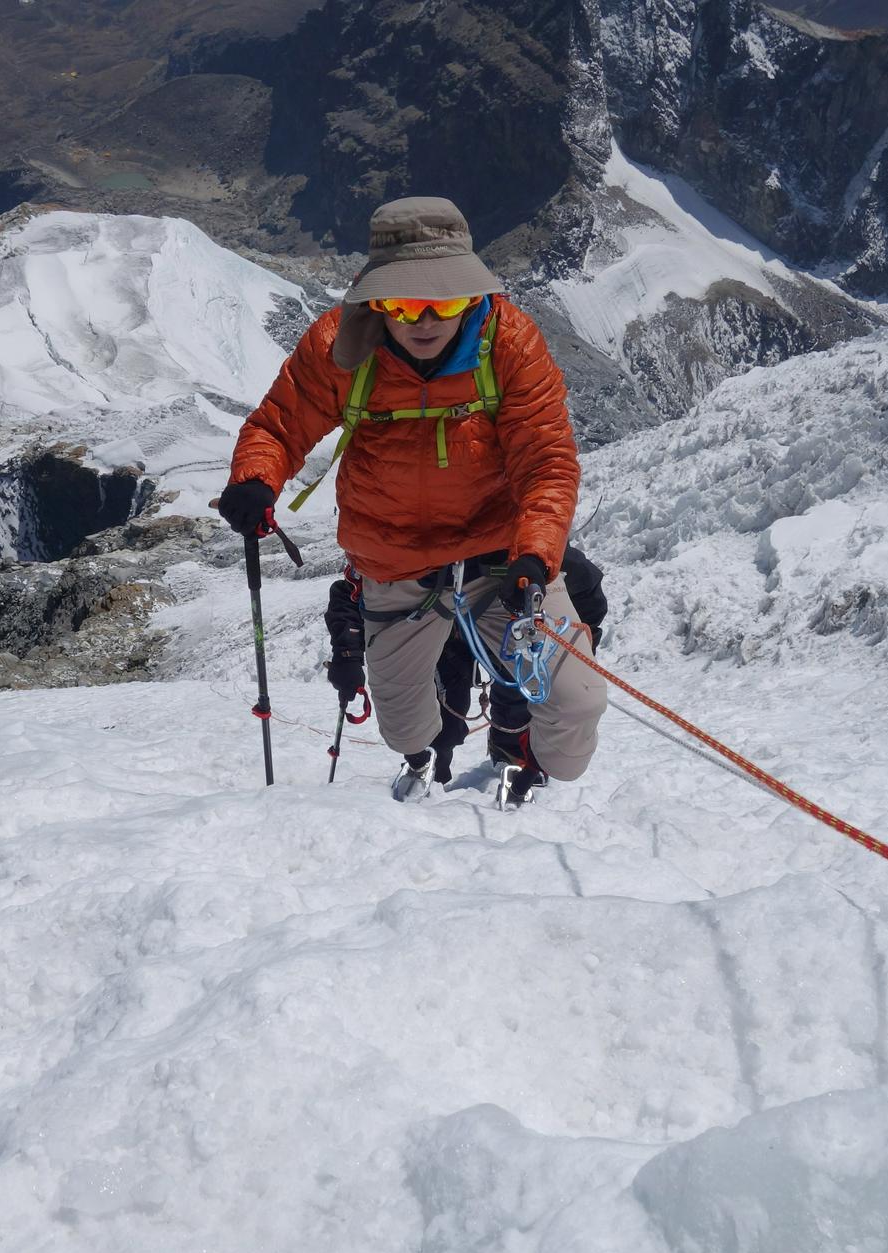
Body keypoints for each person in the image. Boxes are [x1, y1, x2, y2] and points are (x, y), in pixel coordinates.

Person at [218, 196, 607, 803]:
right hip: (395, 560)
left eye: (443, 303)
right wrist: (255, 478)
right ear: (375, 303)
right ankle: (422, 756)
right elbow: (279, 426)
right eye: (401, 305)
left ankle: (534, 765)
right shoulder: (338, 347)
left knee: (579, 700)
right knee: (402, 724)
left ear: (471, 299)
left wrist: (534, 554)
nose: (422, 322)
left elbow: (547, 462)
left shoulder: (510, 343)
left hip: (503, 553)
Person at [324, 544, 608, 791]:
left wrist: (579, 648)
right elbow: (351, 593)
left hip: (494, 618)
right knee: (448, 708)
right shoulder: (397, 557)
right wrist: (347, 655)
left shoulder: (537, 555)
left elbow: (586, 593)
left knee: (519, 694)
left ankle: (512, 755)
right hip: (447, 638)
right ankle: (430, 761)